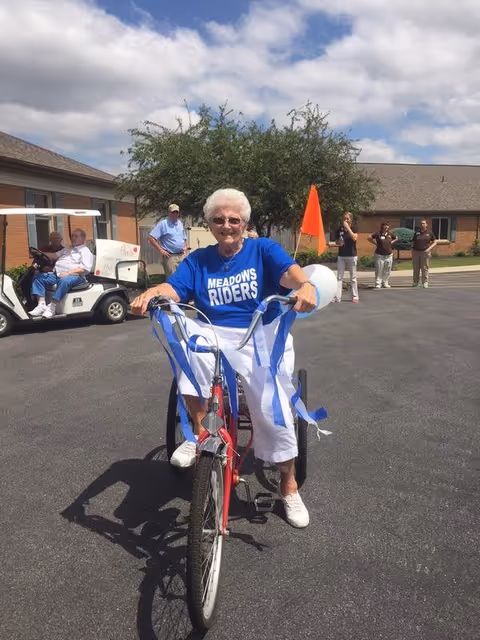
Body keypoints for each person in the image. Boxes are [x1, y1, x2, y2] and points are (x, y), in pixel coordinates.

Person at [132, 188, 318, 528]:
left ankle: (289, 486)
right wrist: (153, 293)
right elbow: (174, 289)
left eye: (234, 219)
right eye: (219, 219)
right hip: (212, 331)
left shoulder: (262, 249)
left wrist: (304, 285)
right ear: (210, 224)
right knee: (186, 341)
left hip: (257, 334)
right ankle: (201, 435)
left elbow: (290, 272)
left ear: (245, 223)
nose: (227, 225)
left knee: (270, 403)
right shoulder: (198, 260)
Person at [29, 228, 94, 319]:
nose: (73, 238)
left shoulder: (85, 251)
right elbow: (55, 255)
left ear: (82, 238)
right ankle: (41, 305)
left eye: (76, 236)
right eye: (72, 236)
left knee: (64, 281)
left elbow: (85, 269)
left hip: (76, 276)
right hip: (58, 274)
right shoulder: (68, 248)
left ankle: (52, 307)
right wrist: (41, 253)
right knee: (39, 277)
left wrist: (68, 273)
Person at [148, 203, 187, 279]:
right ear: (169, 213)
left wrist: (185, 249)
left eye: (177, 212)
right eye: (173, 212)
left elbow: (184, 238)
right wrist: (161, 250)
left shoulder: (180, 223)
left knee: (183, 278)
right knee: (172, 280)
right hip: (170, 257)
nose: (175, 214)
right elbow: (151, 238)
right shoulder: (163, 224)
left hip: (181, 255)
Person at [334, 212, 359, 303]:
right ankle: (337, 297)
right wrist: (338, 242)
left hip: (352, 256)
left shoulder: (354, 228)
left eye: (347, 219)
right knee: (339, 277)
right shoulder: (339, 229)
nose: (345, 220)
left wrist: (348, 228)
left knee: (353, 277)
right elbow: (336, 241)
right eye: (344, 218)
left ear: (351, 219)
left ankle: (355, 296)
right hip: (341, 256)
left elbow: (355, 238)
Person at [368, 222, 397, 288]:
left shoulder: (390, 234)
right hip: (379, 255)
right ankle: (378, 283)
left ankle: (385, 282)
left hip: (389, 255)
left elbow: (396, 238)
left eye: (387, 226)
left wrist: (391, 242)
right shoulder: (378, 233)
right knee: (379, 269)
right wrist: (375, 243)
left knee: (387, 269)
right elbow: (369, 238)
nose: (386, 227)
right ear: (382, 226)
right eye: (385, 226)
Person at [412, 220, 437, 288]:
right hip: (416, 252)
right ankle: (415, 282)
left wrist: (429, 249)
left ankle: (425, 282)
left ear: (426, 225)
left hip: (425, 252)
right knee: (416, 268)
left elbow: (435, 242)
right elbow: (413, 241)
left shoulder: (429, 233)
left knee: (425, 268)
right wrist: (413, 250)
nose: (422, 224)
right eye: (421, 223)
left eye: (423, 223)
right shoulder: (416, 232)